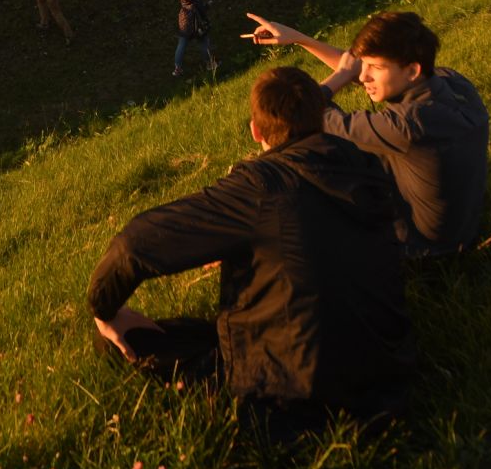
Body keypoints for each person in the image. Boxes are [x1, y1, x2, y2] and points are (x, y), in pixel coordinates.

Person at [87, 66, 415, 435]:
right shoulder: (366, 164)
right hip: (387, 372)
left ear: (256, 130)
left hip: (298, 398)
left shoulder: (262, 186)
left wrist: (103, 308)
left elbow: (134, 244)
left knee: (122, 341)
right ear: (322, 119)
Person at [241, 10, 488, 258]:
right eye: (364, 64)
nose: (362, 75)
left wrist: (339, 77)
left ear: (412, 71)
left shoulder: (407, 126)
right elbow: (357, 69)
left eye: (375, 67)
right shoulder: (453, 83)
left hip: (422, 247)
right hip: (460, 227)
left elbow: (302, 115)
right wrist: (299, 38)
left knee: (307, 143)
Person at [172, 0, 218, 77]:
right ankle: (209, 64)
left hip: (185, 25)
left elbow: (187, 0)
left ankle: (178, 68)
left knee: (182, 45)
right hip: (197, 26)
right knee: (204, 43)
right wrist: (208, 5)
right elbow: (201, 9)